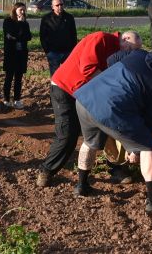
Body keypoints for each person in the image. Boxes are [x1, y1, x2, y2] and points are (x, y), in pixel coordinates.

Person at [36, 30, 142, 188]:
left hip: (87, 92)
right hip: (65, 88)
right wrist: (111, 85)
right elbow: (88, 69)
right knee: (68, 133)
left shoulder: (119, 52)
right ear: (125, 39)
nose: (131, 53)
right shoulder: (101, 38)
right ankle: (47, 170)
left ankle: (115, 168)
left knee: (110, 125)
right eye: (131, 49)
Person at [73, 49, 152, 213]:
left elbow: (113, 58)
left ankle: (81, 186)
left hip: (86, 97)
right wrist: (135, 150)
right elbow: (149, 122)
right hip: (110, 108)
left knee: (89, 142)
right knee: (149, 147)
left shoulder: (139, 55)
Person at [2, 2, 32, 108]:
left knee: (19, 78)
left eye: (24, 10)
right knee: (9, 77)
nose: (23, 12)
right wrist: (20, 26)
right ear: (15, 10)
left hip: (21, 53)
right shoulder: (8, 21)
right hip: (11, 53)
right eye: (21, 10)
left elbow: (28, 36)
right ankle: (6, 99)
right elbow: (10, 36)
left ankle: (17, 99)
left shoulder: (25, 23)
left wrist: (22, 26)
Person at [39, 0, 77, 74]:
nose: (60, 7)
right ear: (52, 7)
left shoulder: (69, 17)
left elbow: (73, 34)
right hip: (53, 52)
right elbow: (42, 35)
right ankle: (54, 87)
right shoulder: (46, 18)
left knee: (68, 74)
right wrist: (47, 50)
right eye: (57, 5)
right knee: (55, 75)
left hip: (67, 52)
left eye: (61, 4)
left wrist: (73, 49)